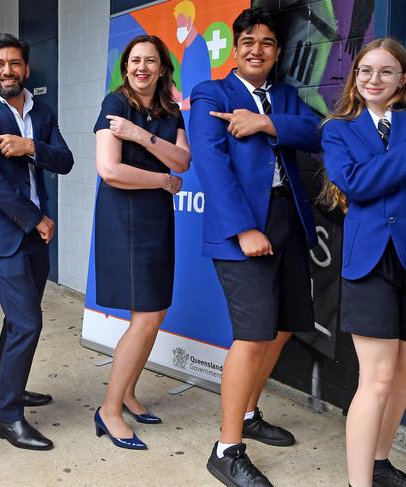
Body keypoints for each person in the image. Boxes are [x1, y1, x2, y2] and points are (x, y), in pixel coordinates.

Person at [189, 8, 321, 486]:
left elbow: (320, 133)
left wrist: (266, 123)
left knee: (282, 327)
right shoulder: (212, 93)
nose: (256, 48)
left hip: (288, 219)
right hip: (242, 227)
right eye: (248, 40)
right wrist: (244, 228)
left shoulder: (285, 97)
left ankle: (246, 413)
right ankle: (227, 449)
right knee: (251, 335)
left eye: (266, 41)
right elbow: (211, 164)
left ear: (277, 51)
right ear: (236, 46)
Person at [0, 33, 73, 451]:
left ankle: (2, 387)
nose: (6, 71)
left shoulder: (41, 112)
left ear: (26, 68)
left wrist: (30, 147)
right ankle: (7, 417)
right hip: (5, 233)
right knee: (28, 322)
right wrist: (36, 218)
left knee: (18, 319)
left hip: (36, 235)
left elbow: (64, 160)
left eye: (14, 63)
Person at [92, 34, 190, 450]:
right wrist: (163, 180)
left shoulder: (169, 111)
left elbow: (184, 159)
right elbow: (110, 170)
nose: (142, 67)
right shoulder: (115, 104)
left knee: (154, 312)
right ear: (126, 67)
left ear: (162, 67)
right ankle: (109, 410)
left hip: (156, 219)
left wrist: (140, 135)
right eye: (135, 60)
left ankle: (128, 392)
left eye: (150, 60)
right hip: (125, 218)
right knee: (146, 317)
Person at [321, 38, 406, 487]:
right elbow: (355, 182)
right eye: (366, 70)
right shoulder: (338, 129)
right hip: (369, 262)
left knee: (402, 380)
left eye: (386, 71)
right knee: (377, 378)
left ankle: (379, 461)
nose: (374, 79)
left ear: (402, 80)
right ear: (356, 77)